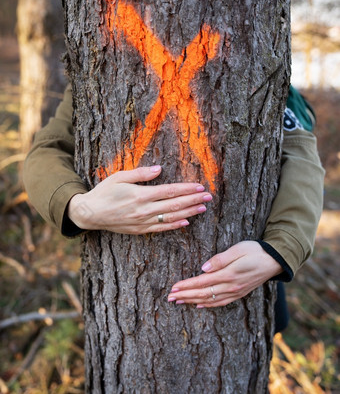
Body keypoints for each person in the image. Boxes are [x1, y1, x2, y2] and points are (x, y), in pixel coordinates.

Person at [23, 84, 324, 329]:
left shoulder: (271, 81)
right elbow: (48, 150)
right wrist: (80, 208)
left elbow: (302, 161)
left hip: (246, 282)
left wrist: (281, 250)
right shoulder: (88, 71)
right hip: (119, 303)